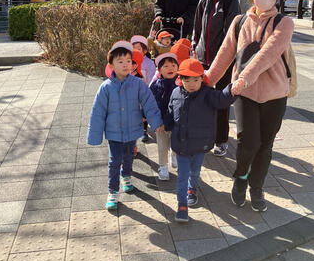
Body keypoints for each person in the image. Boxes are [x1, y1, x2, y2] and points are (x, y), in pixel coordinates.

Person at [206, 0, 294, 212]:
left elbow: (268, 54)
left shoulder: (284, 23)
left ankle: (257, 188)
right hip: (244, 93)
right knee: (247, 142)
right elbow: (224, 55)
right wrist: (205, 82)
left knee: (265, 145)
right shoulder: (239, 21)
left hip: (274, 94)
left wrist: (243, 78)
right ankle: (241, 178)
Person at [87, 41, 164, 210]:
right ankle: (112, 192)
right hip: (114, 132)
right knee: (115, 160)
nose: (125, 64)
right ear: (111, 65)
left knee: (129, 156)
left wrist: (157, 122)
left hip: (132, 130)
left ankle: (126, 177)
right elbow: (98, 112)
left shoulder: (138, 84)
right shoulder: (105, 88)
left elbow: (149, 104)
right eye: (120, 61)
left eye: (128, 61)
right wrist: (94, 135)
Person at [166, 59, 235, 223]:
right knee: (182, 175)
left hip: (200, 144)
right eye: (187, 79)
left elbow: (223, 99)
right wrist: (165, 125)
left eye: (196, 79)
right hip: (181, 144)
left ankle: (192, 189)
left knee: (195, 171)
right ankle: (182, 205)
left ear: (202, 79)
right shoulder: (175, 93)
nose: (191, 84)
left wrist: (233, 88)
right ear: (180, 79)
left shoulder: (208, 94)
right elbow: (170, 111)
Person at [192, 0, 241, 157]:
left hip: (223, 62)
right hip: (203, 58)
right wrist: (195, 49)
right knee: (202, 100)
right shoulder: (203, 2)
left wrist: (224, 58)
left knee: (221, 102)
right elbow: (196, 30)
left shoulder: (231, 1)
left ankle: (221, 140)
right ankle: (205, 136)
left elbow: (231, 35)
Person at [149, 52, 179, 180]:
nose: (170, 68)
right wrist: (155, 123)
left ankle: (174, 156)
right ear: (159, 70)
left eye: (173, 65)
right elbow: (150, 105)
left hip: (177, 123)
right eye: (166, 66)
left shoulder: (181, 84)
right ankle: (163, 167)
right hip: (160, 124)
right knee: (162, 147)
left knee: (176, 145)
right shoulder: (155, 85)